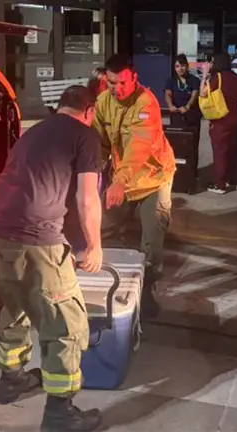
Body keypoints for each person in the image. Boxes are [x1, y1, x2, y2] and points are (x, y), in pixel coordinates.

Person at [0, 85, 103, 432]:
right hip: (34, 239)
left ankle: (12, 379)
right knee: (67, 324)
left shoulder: (35, 132)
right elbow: (87, 199)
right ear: (89, 111)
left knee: (17, 304)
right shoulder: (85, 136)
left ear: (59, 107)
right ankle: (60, 413)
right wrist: (94, 245)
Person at [94, 54, 175, 317]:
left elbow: (139, 147)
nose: (117, 89)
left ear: (135, 78)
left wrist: (118, 182)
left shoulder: (146, 103)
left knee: (151, 240)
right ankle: (108, 284)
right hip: (123, 179)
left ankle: (147, 292)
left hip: (153, 179)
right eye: (111, 83)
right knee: (104, 230)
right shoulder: (103, 101)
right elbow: (99, 141)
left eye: (122, 83)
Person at [199, 53, 237, 194]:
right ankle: (236, 180)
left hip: (220, 120)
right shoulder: (236, 77)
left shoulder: (217, 77)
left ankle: (220, 184)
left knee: (220, 152)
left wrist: (205, 75)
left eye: (212, 62)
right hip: (234, 117)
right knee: (233, 151)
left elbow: (203, 93)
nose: (211, 64)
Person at [164, 54, 201, 128]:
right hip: (176, 114)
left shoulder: (195, 80)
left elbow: (194, 96)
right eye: (177, 66)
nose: (180, 69)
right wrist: (170, 105)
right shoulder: (171, 80)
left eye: (182, 66)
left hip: (192, 115)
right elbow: (168, 94)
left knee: (192, 138)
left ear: (187, 66)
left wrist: (187, 107)